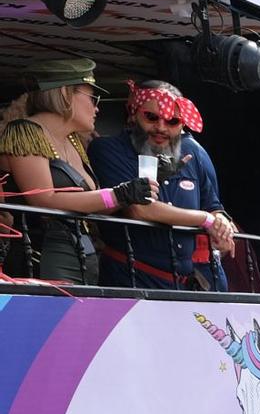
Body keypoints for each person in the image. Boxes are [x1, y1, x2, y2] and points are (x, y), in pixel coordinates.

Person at [0, 59, 155, 284]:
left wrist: (134, 192)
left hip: (84, 251)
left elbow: (96, 201)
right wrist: (118, 195)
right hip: (43, 254)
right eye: (93, 98)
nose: (97, 107)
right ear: (65, 94)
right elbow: (43, 199)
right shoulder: (25, 131)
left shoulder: (73, 140)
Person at [88, 80, 235, 290]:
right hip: (133, 281)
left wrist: (221, 224)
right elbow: (139, 209)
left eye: (172, 121)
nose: (161, 128)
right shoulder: (108, 149)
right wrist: (205, 220)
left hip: (193, 282)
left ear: (183, 124)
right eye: (151, 117)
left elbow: (213, 205)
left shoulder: (194, 153)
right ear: (133, 113)